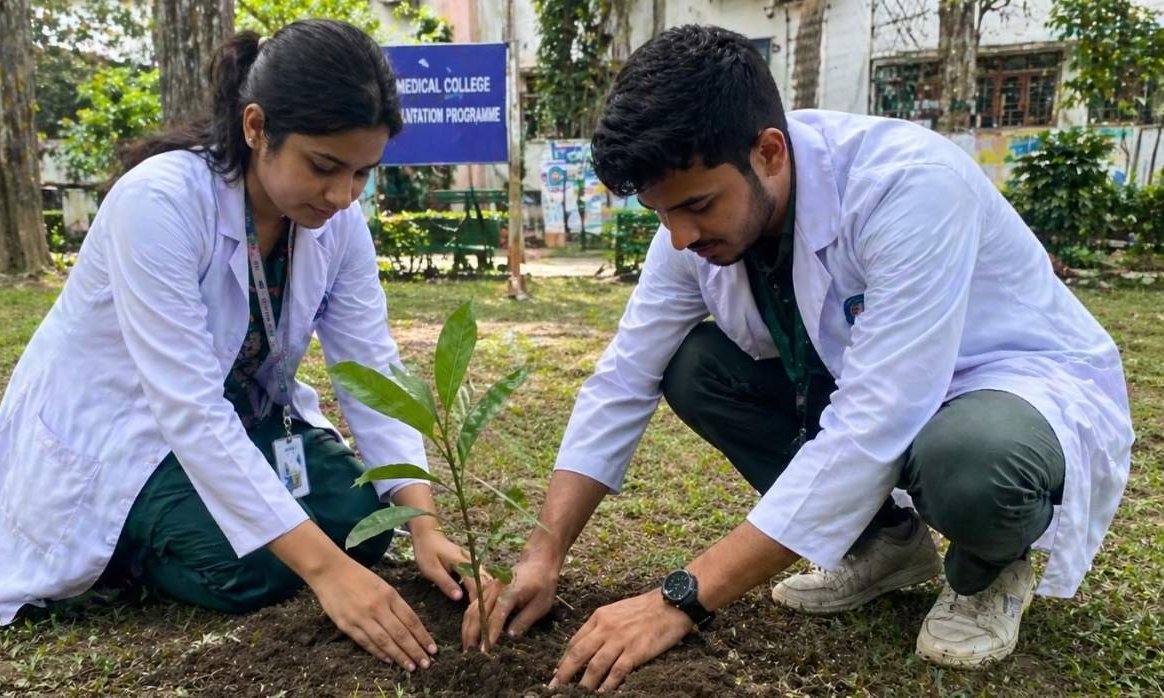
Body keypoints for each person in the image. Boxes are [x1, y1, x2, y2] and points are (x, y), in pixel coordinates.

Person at [466, 25, 1134, 691]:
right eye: (660, 213)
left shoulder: (907, 185)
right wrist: (544, 552)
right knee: (693, 366)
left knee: (971, 459)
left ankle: (990, 569)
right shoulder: (688, 230)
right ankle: (882, 545)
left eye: (697, 206)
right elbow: (624, 377)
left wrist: (680, 599)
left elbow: (874, 422)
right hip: (867, 381)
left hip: (1006, 386)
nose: (680, 235)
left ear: (769, 152)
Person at [0, 20, 476, 674]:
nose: (343, 195)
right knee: (254, 567)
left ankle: (234, 526)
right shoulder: (159, 203)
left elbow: (370, 366)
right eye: (324, 167)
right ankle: (126, 550)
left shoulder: (337, 222)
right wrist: (328, 574)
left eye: (363, 172)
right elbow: (189, 407)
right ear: (256, 128)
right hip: (136, 437)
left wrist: (424, 526)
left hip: (250, 421)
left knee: (361, 517)